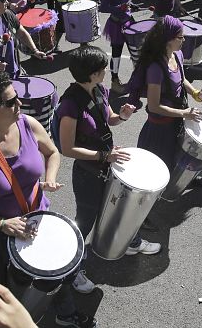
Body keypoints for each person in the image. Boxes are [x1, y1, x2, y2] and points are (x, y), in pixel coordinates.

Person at [0, 73, 97, 328]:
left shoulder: (27, 124)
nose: (20, 104)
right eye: (11, 102)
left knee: (54, 272)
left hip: (37, 218)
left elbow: (52, 152)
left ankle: (65, 313)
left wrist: (49, 178)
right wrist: (1, 224)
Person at [55, 47, 160, 292]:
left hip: (108, 163)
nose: (106, 72)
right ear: (91, 74)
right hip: (88, 173)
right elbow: (68, 149)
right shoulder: (70, 105)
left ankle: (131, 242)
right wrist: (104, 155)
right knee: (85, 221)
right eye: (102, 69)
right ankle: (72, 269)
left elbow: (109, 118)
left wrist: (121, 116)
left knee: (121, 206)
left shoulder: (99, 90)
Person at [131, 16, 202, 170]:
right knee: (158, 169)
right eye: (180, 37)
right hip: (160, 129)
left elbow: (182, 79)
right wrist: (184, 113)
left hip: (176, 119)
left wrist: (196, 93)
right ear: (168, 39)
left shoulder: (177, 55)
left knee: (178, 157)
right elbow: (154, 106)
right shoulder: (155, 69)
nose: (184, 40)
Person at [99, 0, 135, 93]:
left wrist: (130, 7)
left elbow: (126, 1)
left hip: (128, 21)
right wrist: (119, 8)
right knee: (116, 54)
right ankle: (114, 80)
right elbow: (102, 7)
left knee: (135, 51)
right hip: (116, 24)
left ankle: (137, 78)